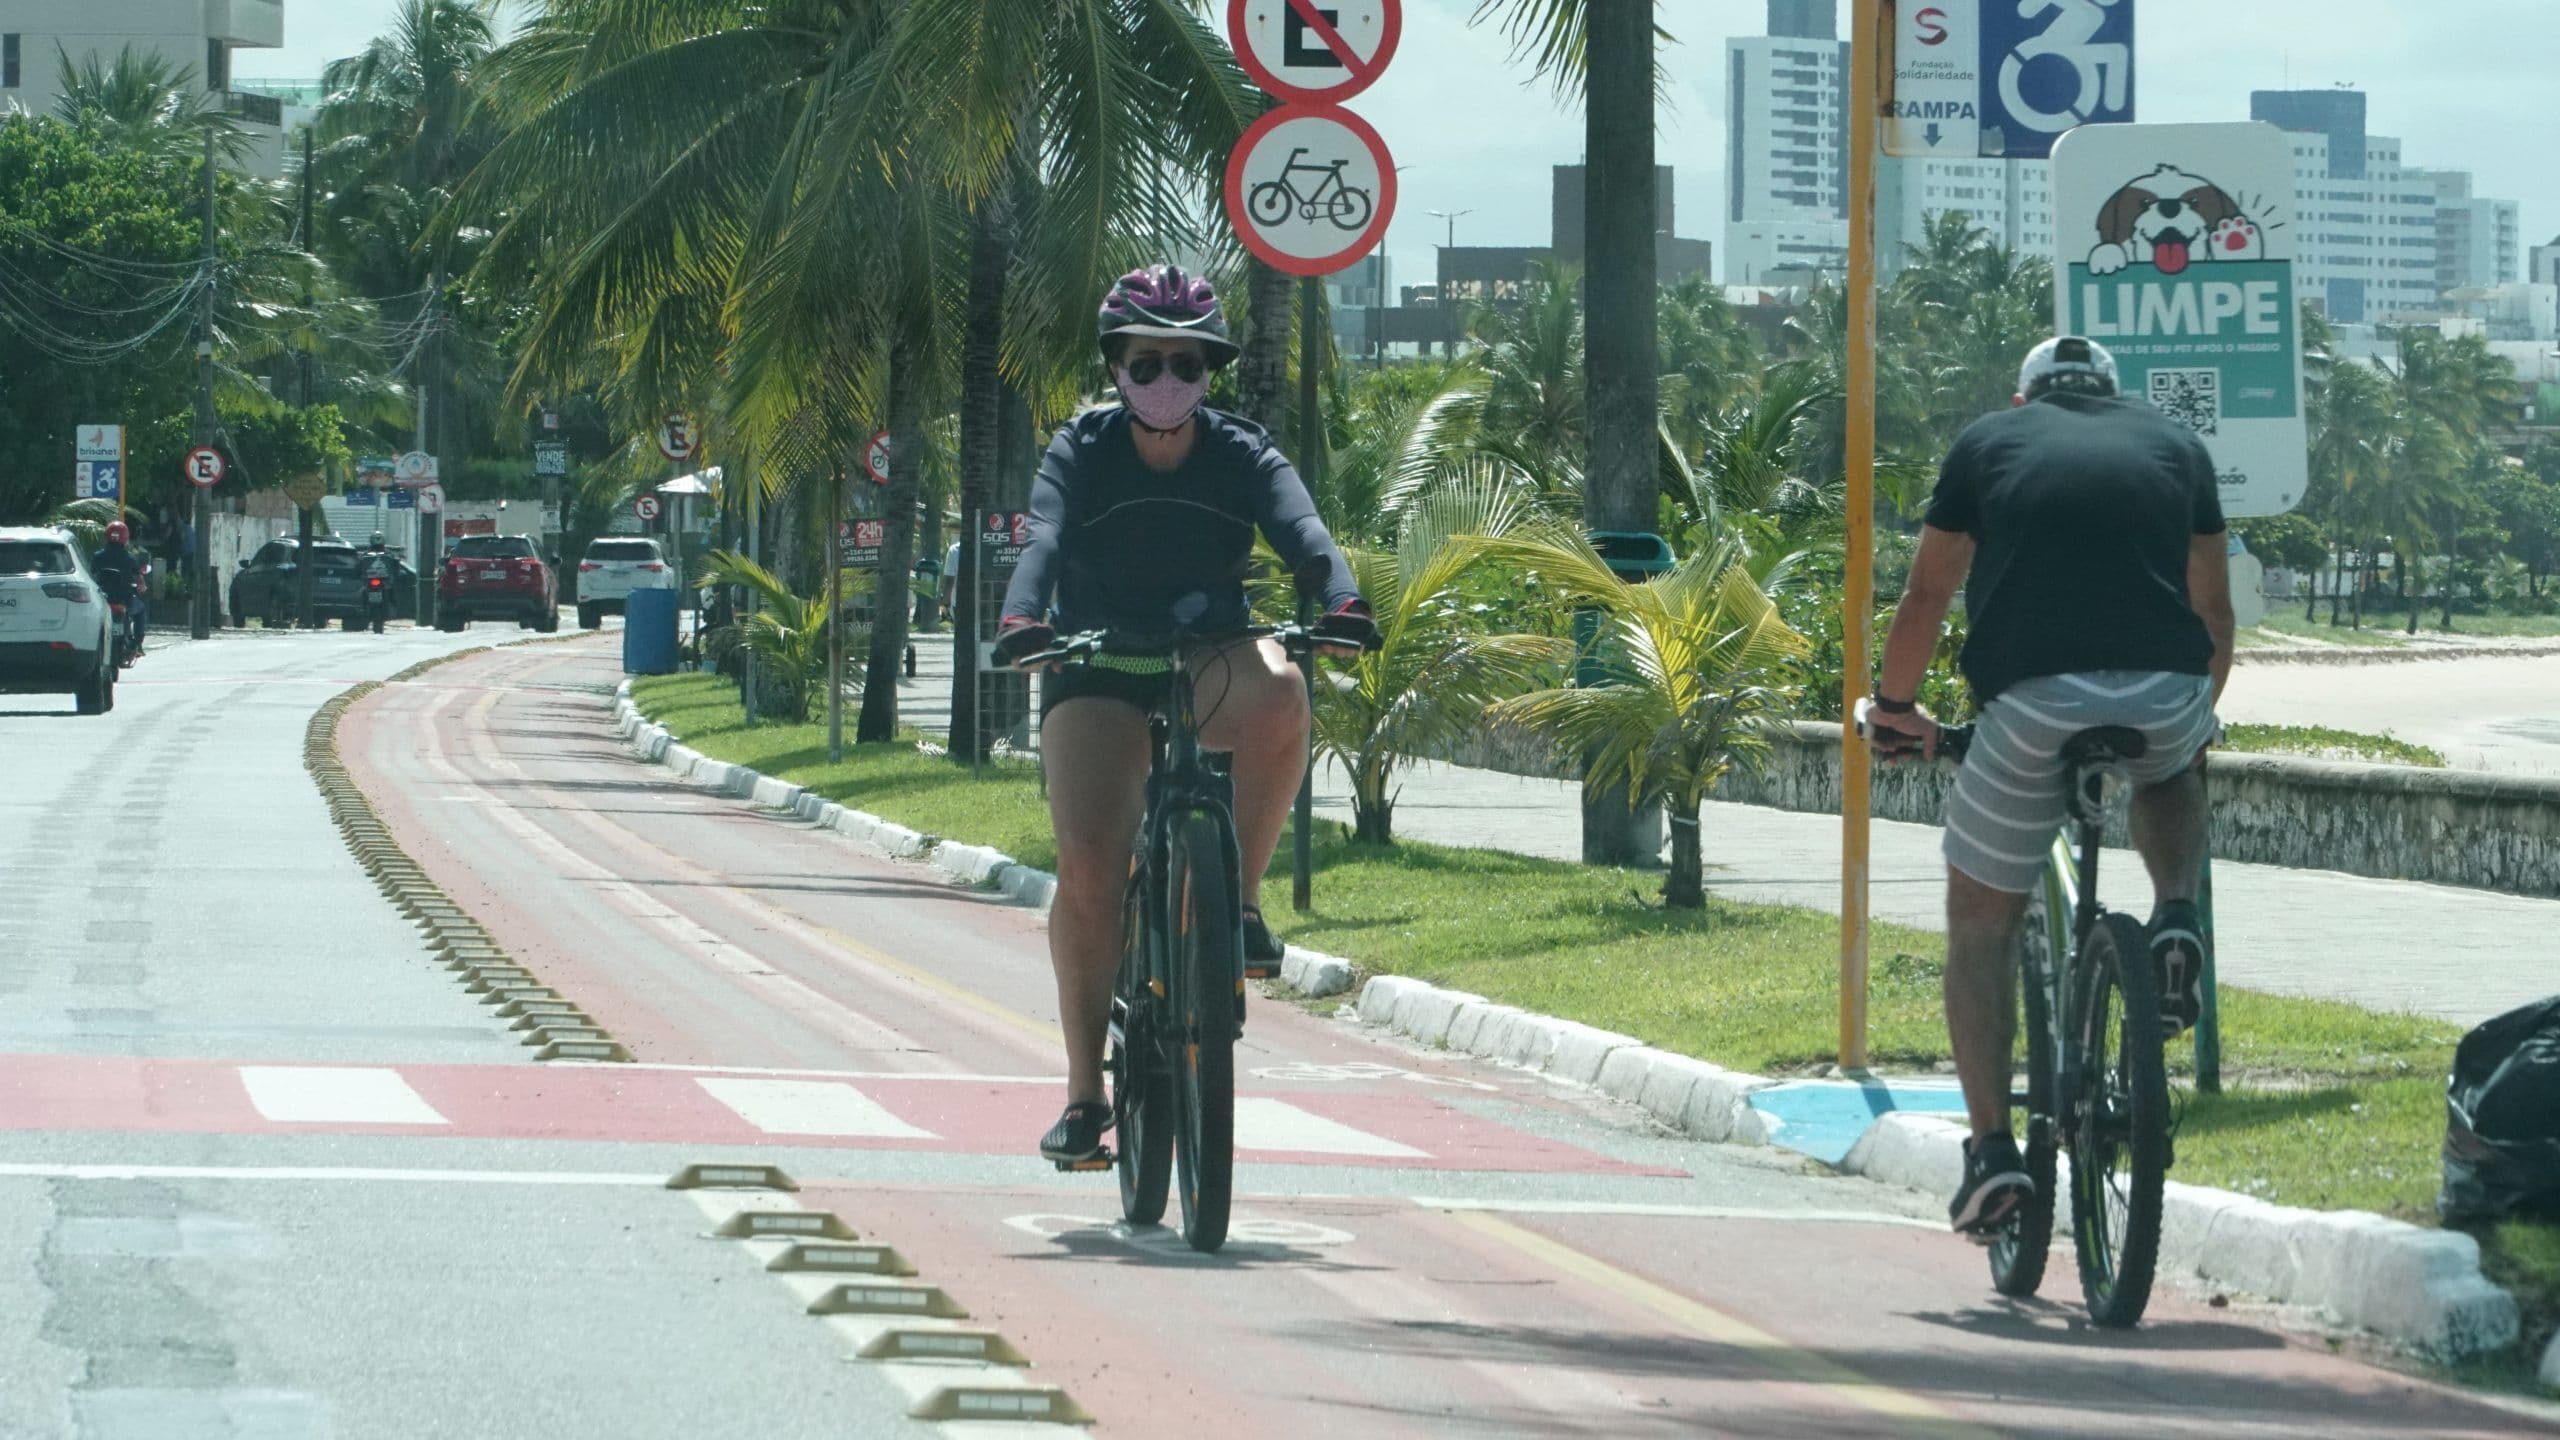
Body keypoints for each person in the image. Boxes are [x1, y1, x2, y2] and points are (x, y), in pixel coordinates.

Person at [994, 264, 1377, 1166]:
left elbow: (1307, 536)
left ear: (1213, 373)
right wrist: (1022, 617)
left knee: (1282, 690)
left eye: (1188, 365)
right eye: (1146, 363)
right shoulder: (1079, 450)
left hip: (1211, 649)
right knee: (1090, 866)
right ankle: (1087, 1098)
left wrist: (1343, 602)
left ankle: (1235, 905)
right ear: (1116, 367)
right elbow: (1042, 538)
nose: (1167, 381)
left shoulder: (1244, 453)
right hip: (1094, 659)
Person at [1865, 336, 2234, 1235]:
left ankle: (1992, 1154)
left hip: (2030, 705)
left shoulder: (1989, 442)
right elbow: (2214, 612)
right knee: (2173, 765)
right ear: (2112, 394)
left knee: (1980, 929)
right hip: (2167, 686)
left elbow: (1925, 598)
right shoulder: (2177, 447)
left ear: (2025, 399)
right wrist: (2190, 716)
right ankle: (2176, 911)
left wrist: (1895, 708)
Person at [90, 521, 144, 655]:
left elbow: (90, 576)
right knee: (141, 610)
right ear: (125, 538)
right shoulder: (129, 558)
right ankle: (137, 644)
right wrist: (141, 587)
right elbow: (139, 580)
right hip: (125, 601)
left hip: (103, 601)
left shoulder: (98, 556)